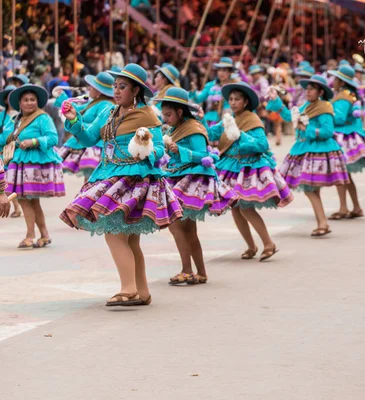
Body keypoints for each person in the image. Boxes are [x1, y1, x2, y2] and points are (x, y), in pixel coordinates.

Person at [60, 63, 183, 307]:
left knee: (116, 235)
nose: (116, 91)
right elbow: (88, 137)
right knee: (127, 238)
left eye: (122, 87)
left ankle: (129, 289)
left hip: (133, 178)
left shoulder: (147, 115)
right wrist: (74, 119)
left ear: (135, 90)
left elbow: (158, 150)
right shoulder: (109, 113)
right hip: (109, 174)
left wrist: (144, 145)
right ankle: (142, 291)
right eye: (115, 86)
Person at [157, 87, 237, 285]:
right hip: (175, 177)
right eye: (164, 115)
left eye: (168, 114)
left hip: (190, 181)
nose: (165, 119)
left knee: (176, 226)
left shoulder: (194, 128)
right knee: (187, 229)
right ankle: (200, 272)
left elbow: (205, 155)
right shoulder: (173, 129)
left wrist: (181, 150)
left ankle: (187, 270)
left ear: (180, 112)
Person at [207, 82, 293, 261]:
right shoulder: (228, 119)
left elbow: (262, 144)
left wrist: (240, 135)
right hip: (229, 167)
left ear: (246, 102)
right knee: (235, 209)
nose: (232, 102)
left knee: (246, 208)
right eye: (230, 99)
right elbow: (211, 134)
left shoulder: (252, 120)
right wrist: (196, 122)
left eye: (237, 99)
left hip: (248, 168)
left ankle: (268, 243)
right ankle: (251, 246)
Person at [266, 74, 350, 236]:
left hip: (318, 151)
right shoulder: (305, 106)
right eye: (307, 88)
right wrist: (276, 101)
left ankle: (323, 222)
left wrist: (308, 130)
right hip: (303, 149)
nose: (308, 91)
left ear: (320, 91)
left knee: (310, 189)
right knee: (311, 189)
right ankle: (322, 223)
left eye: (312, 89)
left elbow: (327, 131)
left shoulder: (324, 107)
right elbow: (291, 116)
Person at [4, 84, 65, 249]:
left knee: (26, 200)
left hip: (35, 164)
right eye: (26, 100)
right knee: (30, 201)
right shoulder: (17, 119)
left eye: (33, 99)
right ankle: (44, 235)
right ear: (20, 103)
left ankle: (30, 236)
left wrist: (34, 141)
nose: (30, 103)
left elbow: (53, 138)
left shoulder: (43, 118)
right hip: (21, 163)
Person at [328, 65, 365, 220]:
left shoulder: (344, 97)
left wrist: (324, 116)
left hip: (344, 138)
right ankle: (356, 207)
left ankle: (343, 208)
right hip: (349, 136)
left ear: (340, 81)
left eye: (335, 78)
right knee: (346, 175)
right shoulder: (347, 94)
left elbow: (339, 118)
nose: (333, 81)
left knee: (341, 174)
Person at [56, 72, 115, 182]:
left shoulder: (106, 105)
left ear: (99, 90)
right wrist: (63, 98)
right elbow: (78, 110)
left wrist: (79, 124)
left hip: (96, 146)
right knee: (88, 183)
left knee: (92, 183)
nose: (89, 88)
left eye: (92, 86)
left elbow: (100, 126)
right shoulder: (95, 102)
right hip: (89, 143)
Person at [190, 57, 238, 128]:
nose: (221, 73)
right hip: (209, 118)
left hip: (226, 119)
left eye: (224, 70)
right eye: (219, 70)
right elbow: (199, 99)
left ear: (230, 72)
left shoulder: (234, 87)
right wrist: (193, 91)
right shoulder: (210, 85)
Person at [0, 84, 21, 217]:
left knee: (11, 180)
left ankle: (17, 206)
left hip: (16, 153)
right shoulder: (1, 115)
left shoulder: (21, 116)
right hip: (2, 153)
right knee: (5, 178)